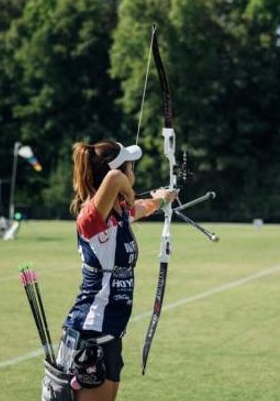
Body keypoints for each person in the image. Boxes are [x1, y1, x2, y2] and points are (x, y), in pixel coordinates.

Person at [59, 140, 176, 401]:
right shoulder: (91, 218)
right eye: (130, 168)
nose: (132, 175)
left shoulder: (117, 213)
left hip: (110, 329)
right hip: (91, 330)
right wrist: (129, 191)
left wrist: (160, 199)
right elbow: (113, 178)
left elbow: (140, 208)